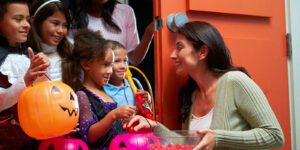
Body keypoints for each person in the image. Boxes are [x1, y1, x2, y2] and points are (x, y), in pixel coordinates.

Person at [125, 21, 284, 150]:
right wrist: (154, 127)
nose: (173, 55)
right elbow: (192, 144)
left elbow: (275, 136)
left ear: (202, 52)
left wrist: (218, 138)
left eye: (179, 47)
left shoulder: (235, 81)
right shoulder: (192, 95)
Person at [63, 29, 136, 149]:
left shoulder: (105, 92)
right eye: (105, 65)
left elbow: (113, 128)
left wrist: (126, 120)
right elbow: (89, 135)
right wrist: (114, 115)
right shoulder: (82, 95)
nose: (110, 71)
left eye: (111, 65)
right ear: (86, 64)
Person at [0, 0, 49, 149]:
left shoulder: (30, 54)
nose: (26, 25)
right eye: (18, 19)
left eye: (27, 20)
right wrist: (25, 79)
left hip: (33, 138)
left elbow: (43, 99)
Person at [68, 0, 155, 65]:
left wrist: (149, 33)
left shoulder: (125, 12)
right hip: (84, 86)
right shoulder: (71, 16)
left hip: (119, 87)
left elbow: (134, 59)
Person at [27, 0, 72, 82]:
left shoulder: (71, 54)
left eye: (65, 25)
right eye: (55, 23)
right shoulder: (23, 57)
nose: (61, 31)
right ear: (35, 21)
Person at [103, 40, 149, 108]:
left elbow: (146, 109)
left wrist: (147, 101)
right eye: (117, 61)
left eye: (125, 61)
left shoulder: (135, 83)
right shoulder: (101, 91)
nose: (123, 66)